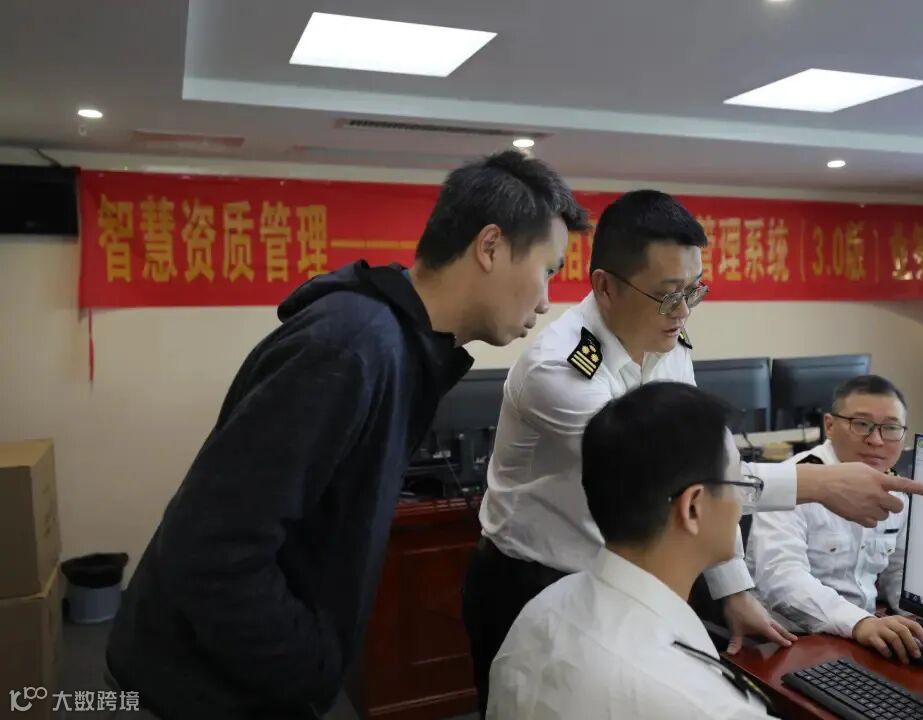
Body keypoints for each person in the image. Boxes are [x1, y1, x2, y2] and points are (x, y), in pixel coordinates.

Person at [105, 150, 590, 720]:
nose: (546, 300)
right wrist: (309, 668)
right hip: (194, 690)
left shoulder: (398, 346)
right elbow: (213, 550)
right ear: (489, 247)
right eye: (548, 270)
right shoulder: (351, 348)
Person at [463, 190, 923, 714]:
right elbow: (677, 478)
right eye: (669, 295)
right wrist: (819, 483)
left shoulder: (667, 342)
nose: (684, 311)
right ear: (605, 286)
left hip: (625, 579)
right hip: (535, 576)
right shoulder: (560, 370)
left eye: (694, 291)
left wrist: (734, 589)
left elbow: (708, 463)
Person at [488, 382, 772, 719]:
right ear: (693, 507)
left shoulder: (541, 610)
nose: (741, 501)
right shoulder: (704, 705)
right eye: (738, 482)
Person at [747, 375, 923, 663]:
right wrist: (858, 622)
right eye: (861, 424)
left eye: (891, 428)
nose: (876, 440)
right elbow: (781, 580)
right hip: (788, 643)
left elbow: (899, 574)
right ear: (830, 426)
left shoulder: (897, 489)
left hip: (864, 639)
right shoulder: (794, 482)